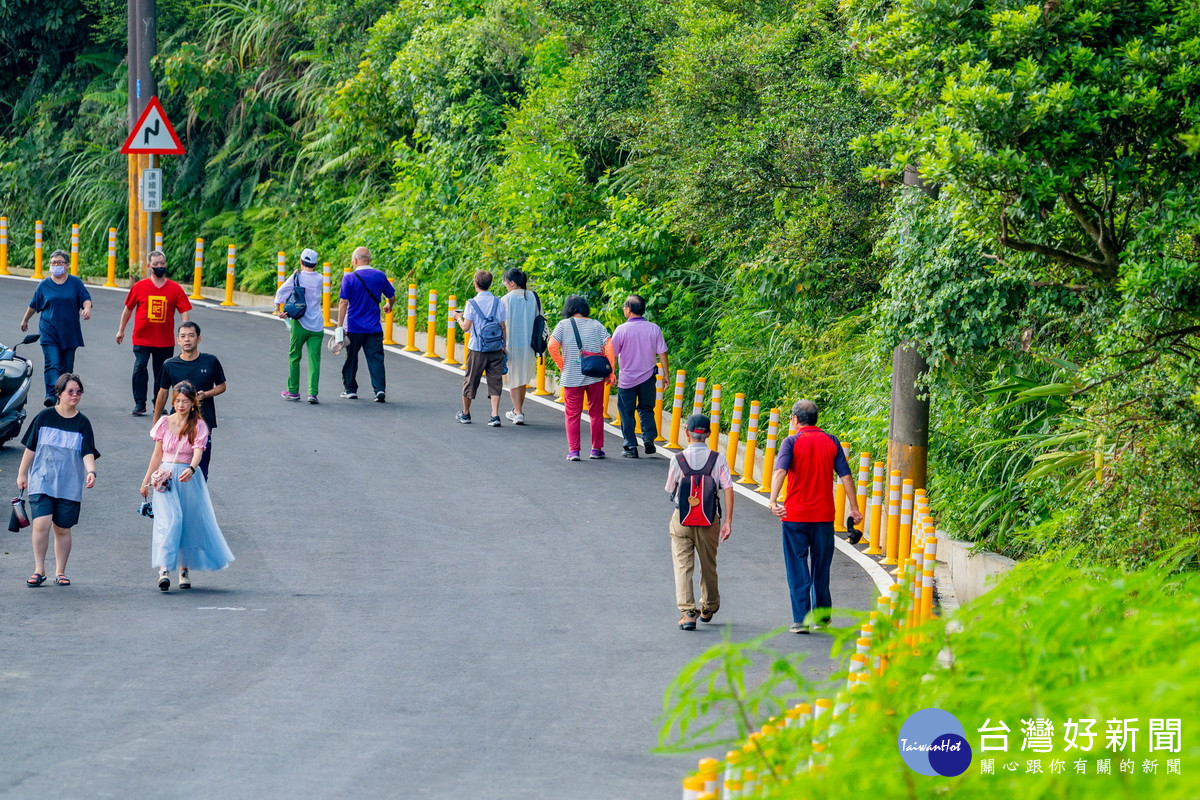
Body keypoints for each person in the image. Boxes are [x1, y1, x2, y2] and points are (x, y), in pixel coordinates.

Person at [767, 399, 863, 634]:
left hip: (795, 516)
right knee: (821, 566)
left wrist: (773, 500)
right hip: (823, 517)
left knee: (797, 565)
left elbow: (780, 470)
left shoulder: (791, 442)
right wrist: (854, 507)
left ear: (796, 419)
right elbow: (846, 477)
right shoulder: (831, 441)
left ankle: (801, 620)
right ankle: (821, 617)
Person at [141, 381, 234, 591]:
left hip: (187, 478)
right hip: (164, 478)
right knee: (167, 522)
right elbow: (157, 454)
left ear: (193, 403)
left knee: (186, 522)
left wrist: (191, 469)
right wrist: (146, 480)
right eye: (177, 401)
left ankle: (183, 571)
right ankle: (164, 570)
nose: (181, 405)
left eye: (185, 401)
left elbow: (199, 451)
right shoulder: (164, 423)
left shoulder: (199, 425)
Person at [17, 373, 99, 588]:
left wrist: (91, 471)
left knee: (62, 528)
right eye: (70, 391)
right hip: (41, 480)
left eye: (78, 391)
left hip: (69, 484)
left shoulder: (83, 423)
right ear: (59, 393)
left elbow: (87, 451)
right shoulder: (44, 417)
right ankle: (39, 570)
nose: (75, 395)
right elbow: (30, 447)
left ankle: (60, 572)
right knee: (41, 523)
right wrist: (22, 474)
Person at [664, 414, 733, 630]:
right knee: (708, 564)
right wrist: (727, 521)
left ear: (687, 432)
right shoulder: (717, 458)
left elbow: (670, 488)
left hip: (682, 519)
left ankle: (687, 613)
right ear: (709, 434)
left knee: (683, 565)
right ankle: (708, 606)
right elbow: (728, 488)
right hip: (709, 518)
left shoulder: (678, 459)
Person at [115, 250, 192, 416]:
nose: (159, 267)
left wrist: (184, 331)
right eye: (156, 264)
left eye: (162, 263)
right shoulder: (139, 287)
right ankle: (139, 403)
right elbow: (128, 309)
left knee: (162, 373)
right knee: (140, 367)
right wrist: (121, 330)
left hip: (164, 340)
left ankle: (158, 402)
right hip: (142, 338)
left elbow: (184, 310)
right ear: (149, 266)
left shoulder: (175, 288)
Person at [153, 322, 226, 481]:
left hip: (204, 420)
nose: (187, 340)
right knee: (175, 466)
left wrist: (205, 394)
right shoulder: (170, 364)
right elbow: (163, 392)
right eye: (183, 336)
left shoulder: (210, 361)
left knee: (200, 469)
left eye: (191, 336)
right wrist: (156, 420)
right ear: (177, 340)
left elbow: (222, 386)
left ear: (199, 339)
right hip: (176, 423)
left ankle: (198, 499)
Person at [19, 250, 92, 407]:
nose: (56, 265)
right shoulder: (44, 285)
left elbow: (86, 298)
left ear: (67, 266)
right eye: (53, 263)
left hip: (70, 332)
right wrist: (25, 320)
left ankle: (64, 395)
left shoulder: (75, 283)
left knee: (67, 368)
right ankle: (51, 395)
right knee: (52, 363)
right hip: (48, 331)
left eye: (60, 262)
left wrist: (87, 309)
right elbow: (33, 305)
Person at [547, 295, 615, 460]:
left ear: (569, 309)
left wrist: (563, 365)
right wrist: (611, 372)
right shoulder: (597, 325)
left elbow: (552, 346)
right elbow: (609, 345)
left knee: (572, 414)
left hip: (572, 376)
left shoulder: (563, 325)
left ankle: (574, 451)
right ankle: (596, 449)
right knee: (596, 412)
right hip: (595, 376)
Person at [610, 294, 668, 458]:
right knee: (646, 409)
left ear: (628, 310)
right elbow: (662, 353)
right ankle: (648, 437)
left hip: (627, 379)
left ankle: (630, 447)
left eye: (624, 307)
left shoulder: (622, 329)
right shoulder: (653, 328)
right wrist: (666, 375)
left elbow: (612, 354)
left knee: (626, 412)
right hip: (648, 377)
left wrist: (611, 373)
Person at [335, 246, 395, 402]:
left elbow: (343, 303)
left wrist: (339, 326)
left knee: (351, 358)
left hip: (354, 327)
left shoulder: (349, 278)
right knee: (376, 358)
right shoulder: (379, 276)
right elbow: (392, 296)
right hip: (374, 327)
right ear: (369, 260)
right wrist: (389, 305)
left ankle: (350, 389)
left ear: (355, 260)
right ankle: (379, 390)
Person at [451, 270, 508, 426]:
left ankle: (466, 413)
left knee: (471, 380)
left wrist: (458, 318)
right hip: (496, 348)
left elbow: (466, 327)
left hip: (477, 348)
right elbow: (503, 327)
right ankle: (495, 415)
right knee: (495, 381)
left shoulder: (471, 303)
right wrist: (504, 346)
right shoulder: (498, 302)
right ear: (490, 284)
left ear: (475, 284)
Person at [275, 247, 325, 404]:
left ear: (301, 261)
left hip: (300, 323)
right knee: (314, 360)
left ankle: (293, 391)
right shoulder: (320, 278)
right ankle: (313, 393)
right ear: (316, 264)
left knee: (294, 356)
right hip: (317, 325)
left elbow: (281, 291)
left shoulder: (297, 276)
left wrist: (278, 309)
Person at [500, 267, 538, 425]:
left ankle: (518, 412)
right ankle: (517, 410)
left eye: (506, 282)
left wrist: (502, 344)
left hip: (512, 344)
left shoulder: (506, 299)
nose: (505, 285)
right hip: (530, 344)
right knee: (522, 378)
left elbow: (502, 324)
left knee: (514, 379)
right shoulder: (533, 297)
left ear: (512, 283)